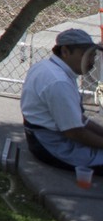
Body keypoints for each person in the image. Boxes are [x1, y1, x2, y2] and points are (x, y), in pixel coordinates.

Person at [20, 28, 103, 169]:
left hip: (40, 139)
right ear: (65, 52)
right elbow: (74, 132)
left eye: (93, 55)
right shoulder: (59, 82)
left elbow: (79, 120)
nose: (92, 61)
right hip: (50, 146)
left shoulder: (45, 66)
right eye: (85, 55)